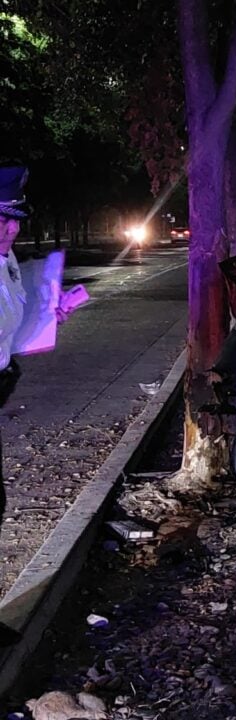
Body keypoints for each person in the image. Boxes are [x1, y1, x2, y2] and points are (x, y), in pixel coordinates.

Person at [0, 165, 30, 648]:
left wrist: (52, 312)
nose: (12, 229)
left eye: (15, 219)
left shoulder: (7, 261)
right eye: (1, 219)